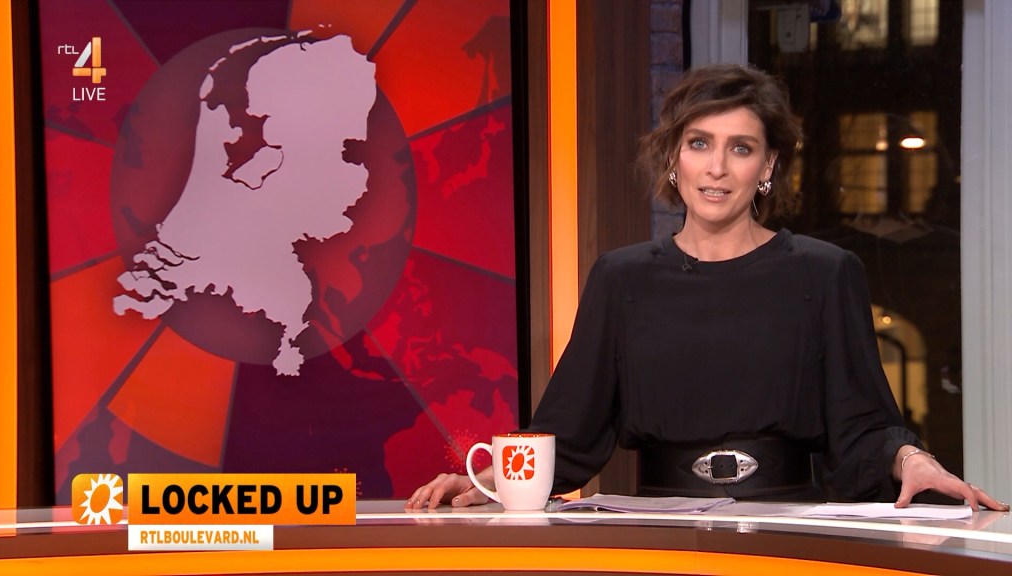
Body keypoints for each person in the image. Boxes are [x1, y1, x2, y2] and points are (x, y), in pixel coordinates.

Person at [405, 64, 1009, 512]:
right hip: (655, 527)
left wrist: (911, 459)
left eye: (740, 149)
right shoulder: (622, 277)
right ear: (674, 157)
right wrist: (488, 481)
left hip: (789, 526)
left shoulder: (825, 272)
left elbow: (862, 426)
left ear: (767, 167)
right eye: (699, 144)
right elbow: (570, 430)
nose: (717, 168)